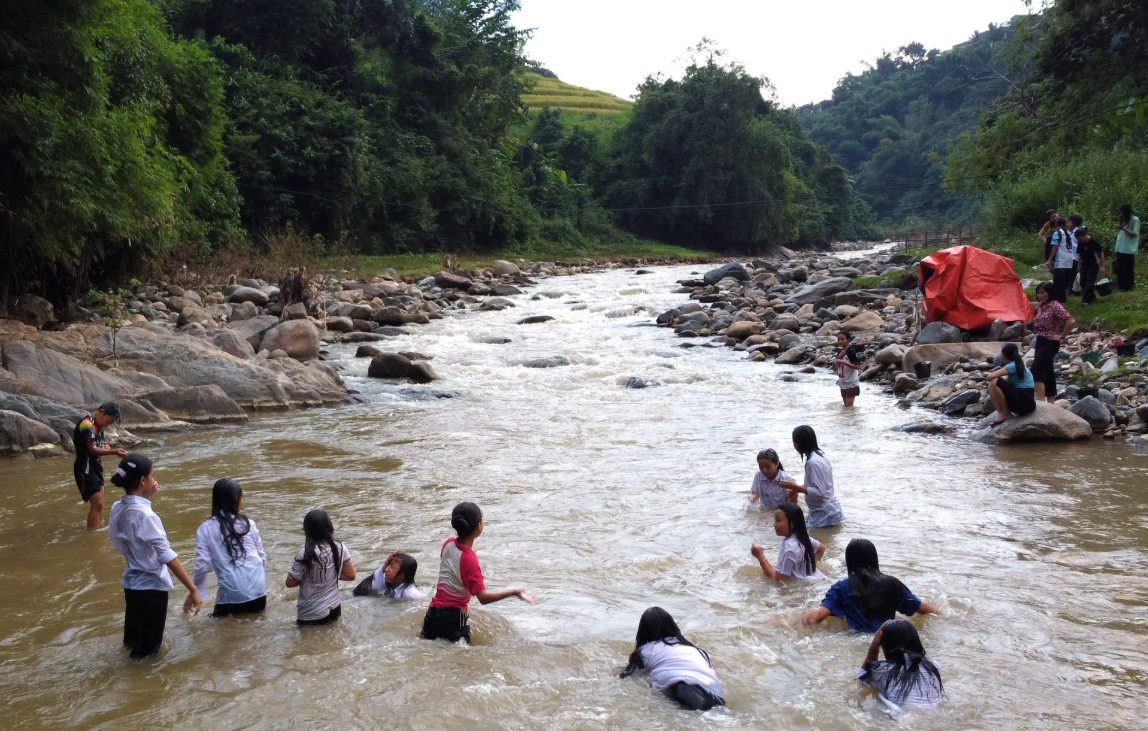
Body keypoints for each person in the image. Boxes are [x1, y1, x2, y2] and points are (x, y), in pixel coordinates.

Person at [107, 454, 203, 658]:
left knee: (132, 642)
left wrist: (145, 497)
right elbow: (167, 556)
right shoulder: (146, 515)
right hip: (151, 589)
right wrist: (193, 589)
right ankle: (140, 687)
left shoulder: (118, 508)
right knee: (148, 654)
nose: (154, 480)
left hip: (132, 584)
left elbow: (130, 539)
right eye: (151, 476)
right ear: (143, 481)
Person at [421, 502, 536, 643]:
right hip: (454, 619)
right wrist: (513, 593)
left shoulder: (448, 543)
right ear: (479, 527)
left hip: (432, 614)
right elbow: (483, 598)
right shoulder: (469, 559)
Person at [788, 539, 939, 632]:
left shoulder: (841, 588)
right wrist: (941, 613)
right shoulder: (892, 583)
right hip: (889, 638)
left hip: (858, 640)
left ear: (849, 562)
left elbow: (818, 615)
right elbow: (919, 607)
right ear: (874, 559)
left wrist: (786, 623)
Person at [620, 607, 726, 711]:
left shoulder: (645, 651)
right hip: (715, 693)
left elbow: (628, 676)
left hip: (683, 691)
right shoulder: (694, 649)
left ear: (643, 632)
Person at [193, 479, 268, 617]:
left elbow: (202, 565)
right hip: (259, 591)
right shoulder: (249, 524)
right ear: (237, 501)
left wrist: (196, 591)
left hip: (231, 594)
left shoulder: (206, 529)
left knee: (221, 632)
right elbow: (262, 557)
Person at [286, 509, 356, 626]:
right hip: (335, 606)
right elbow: (351, 575)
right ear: (329, 527)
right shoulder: (340, 547)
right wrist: (330, 574)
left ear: (308, 531)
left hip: (312, 611)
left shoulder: (306, 553)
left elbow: (290, 583)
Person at [858, 619, 943, 711]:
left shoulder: (883, 670)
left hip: (900, 718)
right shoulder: (933, 667)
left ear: (886, 646)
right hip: (933, 714)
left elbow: (862, 680)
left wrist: (873, 648)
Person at [73, 402, 127, 529]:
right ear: (102, 412)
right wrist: (114, 451)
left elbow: (101, 446)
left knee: (101, 503)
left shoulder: (99, 427)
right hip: (85, 468)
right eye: (108, 421)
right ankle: (93, 533)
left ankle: (99, 526)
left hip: (96, 466)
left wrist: (106, 448)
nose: (107, 425)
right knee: (97, 503)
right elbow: (92, 450)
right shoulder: (87, 424)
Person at [779, 425, 844, 528]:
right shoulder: (820, 456)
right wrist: (797, 489)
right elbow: (815, 484)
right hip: (828, 511)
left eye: (794, 441)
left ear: (800, 442)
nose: (794, 445)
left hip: (824, 516)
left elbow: (819, 492)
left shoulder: (813, 462)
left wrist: (795, 487)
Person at [750, 503, 826, 581]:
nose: (774, 524)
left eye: (778, 520)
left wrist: (760, 555)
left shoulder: (789, 548)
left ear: (792, 523)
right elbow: (821, 548)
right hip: (818, 577)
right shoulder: (803, 538)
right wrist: (810, 567)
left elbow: (778, 580)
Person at [1029, 281, 1075, 403]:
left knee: (1036, 370)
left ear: (1049, 292)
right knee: (1048, 372)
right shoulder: (1040, 307)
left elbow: (1070, 321)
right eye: (1038, 293)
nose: (1040, 295)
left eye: (1043, 292)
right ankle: (1051, 401)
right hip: (1040, 340)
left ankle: (1040, 402)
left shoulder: (1055, 305)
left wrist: (1062, 336)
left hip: (1050, 342)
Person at [986, 343, 1037, 425]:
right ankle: (1001, 413)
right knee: (991, 386)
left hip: (1024, 404)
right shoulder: (1018, 364)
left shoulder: (1012, 366)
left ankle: (1005, 412)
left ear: (1003, 355)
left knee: (994, 381)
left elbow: (990, 376)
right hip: (1026, 404)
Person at [353, 551, 425, 599]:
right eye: (388, 565)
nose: (386, 569)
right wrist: (384, 565)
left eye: (392, 566)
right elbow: (359, 591)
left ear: (402, 575)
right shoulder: (392, 586)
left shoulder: (410, 593)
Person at [1044, 217, 1075, 303]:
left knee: (1058, 281)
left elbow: (1055, 247)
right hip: (1069, 260)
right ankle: (1063, 298)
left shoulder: (1057, 233)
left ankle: (1059, 300)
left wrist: (1049, 260)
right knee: (1065, 281)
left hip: (1061, 260)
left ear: (1057, 224)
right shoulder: (1069, 233)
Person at [1075, 227, 1105, 305]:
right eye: (1078, 239)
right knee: (1082, 281)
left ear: (1085, 235)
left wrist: (1103, 266)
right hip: (1084, 264)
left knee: (1090, 281)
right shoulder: (1080, 242)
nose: (1080, 240)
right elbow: (1080, 254)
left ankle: (1086, 300)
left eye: (1081, 239)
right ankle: (1091, 296)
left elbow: (1101, 253)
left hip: (1094, 263)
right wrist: (1079, 265)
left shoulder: (1094, 241)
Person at [1115, 203, 1140, 291]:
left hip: (1128, 249)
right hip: (1120, 247)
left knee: (1127, 269)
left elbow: (1134, 234)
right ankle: (1120, 286)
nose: (1120, 214)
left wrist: (1122, 228)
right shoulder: (1124, 219)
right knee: (1120, 268)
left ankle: (1128, 286)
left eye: (1121, 212)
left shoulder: (1135, 219)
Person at [835, 333, 862, 407]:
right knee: (845, 408)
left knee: (849, 408)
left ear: (848, 340)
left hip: (851, 383)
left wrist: (843, 362)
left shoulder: (851, 351)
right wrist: (839, 358)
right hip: (842, 382)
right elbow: (834, 366)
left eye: (842, 339)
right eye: (839, 339)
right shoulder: (840, 352)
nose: (840, 341)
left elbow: (857, 366)